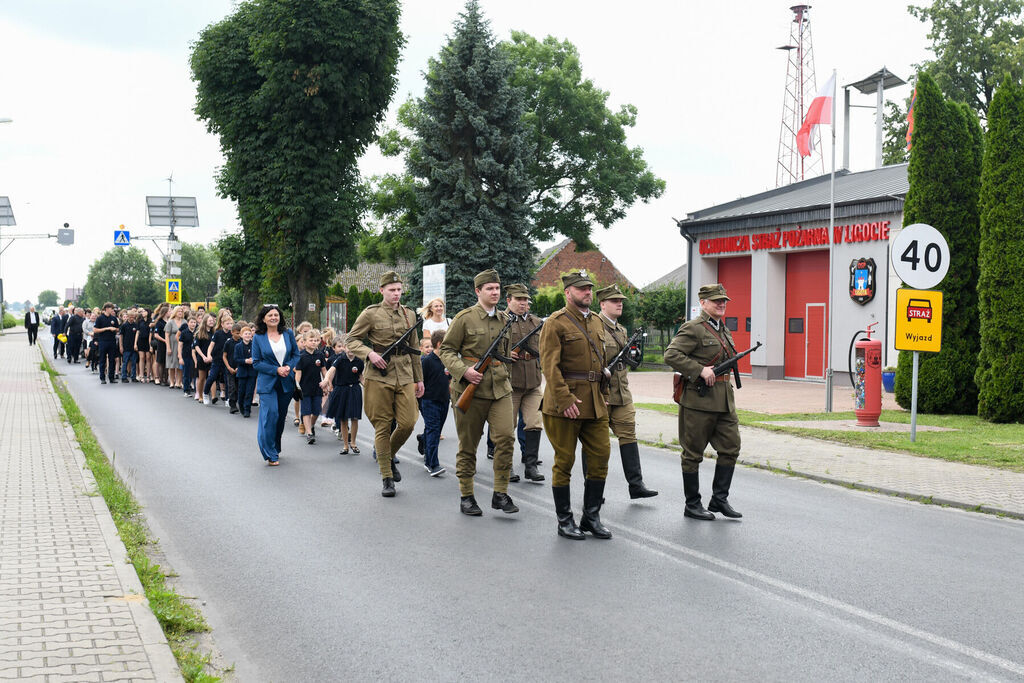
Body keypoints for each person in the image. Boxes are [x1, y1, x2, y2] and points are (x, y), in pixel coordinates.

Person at [438, 269, 518, 516]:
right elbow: (447, 351)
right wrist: (464, 371)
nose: (495, 292)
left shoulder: (506, 319)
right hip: (470, 387)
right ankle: (467, 495)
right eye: (489, 289)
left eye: (497, 288)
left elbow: (504, 355)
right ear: (478, 291)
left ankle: (500, 492)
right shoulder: (464, 318)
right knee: (468, 444)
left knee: (505, 437)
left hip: (500, 388)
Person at [539, 270, 612, 540]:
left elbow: (601, 363)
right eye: (582, 289)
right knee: (565, 461)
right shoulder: (555, 323)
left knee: (600, 458)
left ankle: (591, 517)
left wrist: (604, 391)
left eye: (590, 288)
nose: (588, 293)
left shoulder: (595, 322)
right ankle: (565, 520)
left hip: (594, 402)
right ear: (568, 293)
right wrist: (564, 398)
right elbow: (549, 365)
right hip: (566, 402)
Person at [663, 283, 744, 521]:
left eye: (724, 300)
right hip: (698, 401)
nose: (721, 304)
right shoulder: (694, 328)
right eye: (716, 300)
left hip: (724, 401)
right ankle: (692, 504)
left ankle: (719, 499)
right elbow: (671, 354)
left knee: (731, 448)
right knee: (692, 454)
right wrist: (699, 370)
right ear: (703, 303)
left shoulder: (723, 330)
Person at [346, 271, 424, 497]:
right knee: (382, 426)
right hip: (379, 373)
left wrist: (419, 379)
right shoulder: (371, 313)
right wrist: (369, 354)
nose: (396, 294)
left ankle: (387, 456)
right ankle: (387, 478)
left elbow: (415, 350)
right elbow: (351, 339)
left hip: (405, 372)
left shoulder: (409, 314)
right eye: (392, 290)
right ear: (382, 291)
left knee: (408, 422)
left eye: (399, 290)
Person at [596, 284, 658, 499]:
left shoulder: (621, 330)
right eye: (614, 301)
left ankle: (636, 485)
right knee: (597, 443)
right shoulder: (594, 327)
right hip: (600, 393)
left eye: (621, 301)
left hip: (621, 393)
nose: (619, 303)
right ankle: (594, 489)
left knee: (629, 435)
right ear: (603, 304)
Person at [503, 283, 545, 483]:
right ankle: (507, 466)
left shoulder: (536, 322)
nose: (523, 303)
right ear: (508, 300)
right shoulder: (500, 321)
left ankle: (531, 466)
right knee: (507, 426)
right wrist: (504, 354)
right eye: (519, 300)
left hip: (534, 381)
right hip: (511, 381)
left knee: (534, 423)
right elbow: (487, 347)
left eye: (525, 300)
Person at [252, 304, 300, 466]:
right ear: (264, 319)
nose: (273, 317)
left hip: (286, 382)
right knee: (270, 415)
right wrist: (276, 369)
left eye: (276, 315)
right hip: (267, 383)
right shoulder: (258, 337)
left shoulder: (288, 333)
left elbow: (295, 354)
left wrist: (288, 367)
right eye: (270, 315)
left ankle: (275, 447)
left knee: (279, 417)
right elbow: (256, 363)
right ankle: (269, 453)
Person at [321, 336, 364, 454]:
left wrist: (369, 388)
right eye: (348, 347)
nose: (350, 350)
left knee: (355, 418)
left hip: (354, 390)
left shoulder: (359, 362)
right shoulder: (340, 359)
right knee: (343, 419)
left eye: (353, 348)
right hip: (342, 390)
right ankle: (345, 445)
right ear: (345, 348)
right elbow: (331, 370)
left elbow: (361, 377)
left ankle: (353, 443)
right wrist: (326, 380)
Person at [418, 329, 450, 477]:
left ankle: (423, 439)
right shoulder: (427, 361)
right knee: (434, 431)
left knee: (434, 430)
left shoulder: (448, 359)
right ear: (439, 344)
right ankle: (432, 464)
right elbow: (419, 381)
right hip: (429, 401)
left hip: (444, 400)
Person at [295, 329, 326, 445]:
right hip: (305, 388)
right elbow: (298, 373)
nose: (313, 342)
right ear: (304, 342)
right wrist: (297, 387)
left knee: (317, 410)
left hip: (317, 387)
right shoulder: (301, 356)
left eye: (316, 340)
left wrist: (327, 383)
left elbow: (324, 370)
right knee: (306, 411)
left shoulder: (320, 355)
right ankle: (309, 433)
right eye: (311, 340)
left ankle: (311, 425)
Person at [204, 311, 233, 405]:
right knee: (212, 377)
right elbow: (211, 346)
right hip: (216, 359)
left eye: (231, 323)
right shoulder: (217, 333)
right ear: (222, 324)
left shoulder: (231, 334)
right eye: (227, 323)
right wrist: (209, 355)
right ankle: (205, 393)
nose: (230, 325)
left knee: (227, 379)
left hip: (226, 361)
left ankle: (228, 399)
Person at [93, 302, 120, 384]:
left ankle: (111, 377)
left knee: (112, 360)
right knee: (102, 360)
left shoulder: (114, 318)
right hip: (103, 341)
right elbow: (95, 330)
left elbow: (118, 329)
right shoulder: (100, 318)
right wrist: (107, 328)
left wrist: (114, 329)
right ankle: (102, 378)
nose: (112, 310)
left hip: (112, 341)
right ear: (106, 308)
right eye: (111, 308)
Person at [234, 324, 257, 418]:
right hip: (242, 371)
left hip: (252, 372)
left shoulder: (254, 346)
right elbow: (236, 359)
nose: (248, 335)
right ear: (241, 335)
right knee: (241, 390)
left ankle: (247, 408)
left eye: (249, 333)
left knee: (249, 391)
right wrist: (245, 361)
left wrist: (253, 360)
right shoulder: (238, 346)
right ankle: (241, 406)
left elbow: (258, 356)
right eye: (245, 334)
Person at [193, 314, 215, 403]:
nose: (212, 322)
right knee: (202, 378)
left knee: (212, 376)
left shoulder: (214, 333)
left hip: (212, 358)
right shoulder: (199, 333)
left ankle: (213, 396)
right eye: (210, 320)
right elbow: (196, 346)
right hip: (202, 358)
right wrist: (203, 356)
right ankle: (200, 395)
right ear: (205, 321)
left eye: (213, 320)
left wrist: (211, 357)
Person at [165, 306, 185, 389]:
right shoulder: (170, 322)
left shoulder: (184, 322)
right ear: (175, 312)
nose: (180, 313)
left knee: (180, 364)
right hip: (172, 344)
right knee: (172, 364)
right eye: (178, 311)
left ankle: (179, 382)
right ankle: (172, 382)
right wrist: (168, 347)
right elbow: (166, 335)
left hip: (181, 345)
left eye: (181, 311)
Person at [224, 322, 242, 413]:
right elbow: (224, 356)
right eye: (237, 333)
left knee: (239, 387)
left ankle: (239, 403)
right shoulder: (228, 343)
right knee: (232, 387)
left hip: (239, 368)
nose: (239, 335)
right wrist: (229, 367)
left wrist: (239, 367)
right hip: (230, 368)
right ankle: (232, 405)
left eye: (240, 333)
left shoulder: (242, 342)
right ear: (232, 332)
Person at [151, 303, 170, 385]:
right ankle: (160, 378)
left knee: (167, 362)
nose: (171, 312)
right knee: (161, 361)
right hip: (162, 344)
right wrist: (165, 340)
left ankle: (166, 379)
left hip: (169, 344)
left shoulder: (169, 321)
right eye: (169, 311)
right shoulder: (159, 322)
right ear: (165, 312)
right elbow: (156, 335)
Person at [179, 314, 197, 397]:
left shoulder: (197, 332)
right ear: (188, 323)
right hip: (186, 355)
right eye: (191, 322)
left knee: (195, 373)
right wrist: (180, 357)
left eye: (194, 322)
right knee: (187, 373)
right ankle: (186, 390)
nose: (193, 324)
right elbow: (180, 345)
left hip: (196, 356)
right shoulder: (184, 332)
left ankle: (197, 390)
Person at [118, 309, 138, 382]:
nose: (132, 318)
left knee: (133, 362)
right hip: (126, 346)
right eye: (130, 317)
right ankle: (124, 377)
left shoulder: (135, 325)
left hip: (133, 347)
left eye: (133, 317)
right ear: (128, 317)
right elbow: (121, 336)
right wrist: (121, 346)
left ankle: (133, 376)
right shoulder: (124, 325)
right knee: (125, 362)